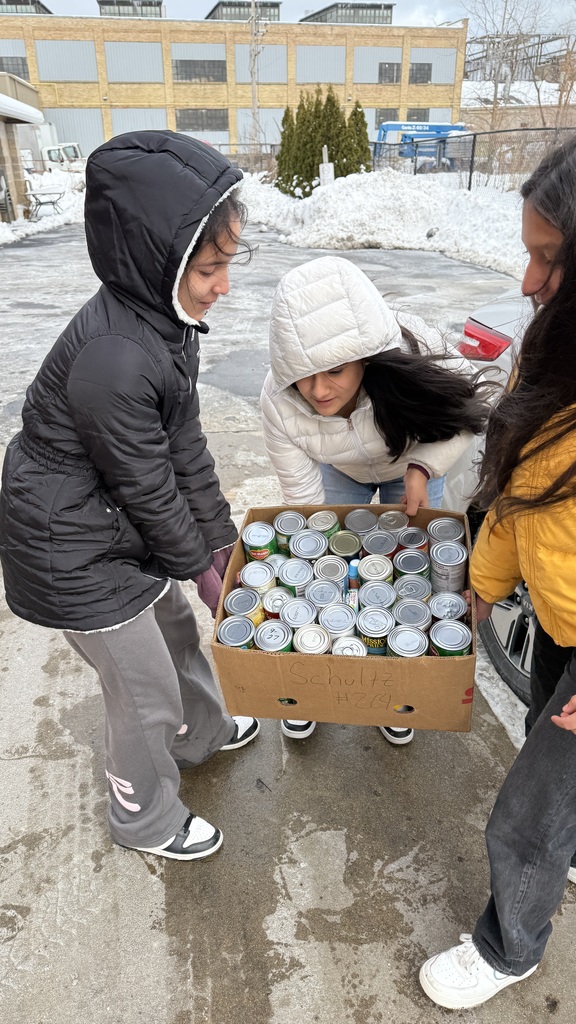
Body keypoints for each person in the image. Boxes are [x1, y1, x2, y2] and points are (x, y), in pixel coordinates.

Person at [0, 131, 260, 862]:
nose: (222, 286)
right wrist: (203, 568)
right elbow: (147, 484)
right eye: (209, 269)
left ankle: (203, 734)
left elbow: (184, 445)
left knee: (175, 627)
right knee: (142, 686)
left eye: (226, 265)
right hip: (70, 545)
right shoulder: (115, 358)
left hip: (108, 523)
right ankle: (143, 815)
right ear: (158, 259)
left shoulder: (167, 321)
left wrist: (222, 542)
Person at [419, 136, 576, 1008]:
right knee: (542, 716)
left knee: (529, 811)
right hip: (560, 612)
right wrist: (486, 580)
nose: (524, 283)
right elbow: (523, 496)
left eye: (549, 260)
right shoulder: (550, 352)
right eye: (526, 251)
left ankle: (510, 942)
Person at [260, 255, 491, 745]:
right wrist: (312, 545)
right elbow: (302, 502)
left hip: (410, 462)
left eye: (336, 371)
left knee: (414, 570)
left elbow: (473, 413)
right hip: (339, 468)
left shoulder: (412, 346)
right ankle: (311, 681)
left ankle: (398, 688)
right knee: (327, 559)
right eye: (304, 375)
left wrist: (422, 467)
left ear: (366, 354)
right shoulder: (279, 401)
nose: (318, 390)